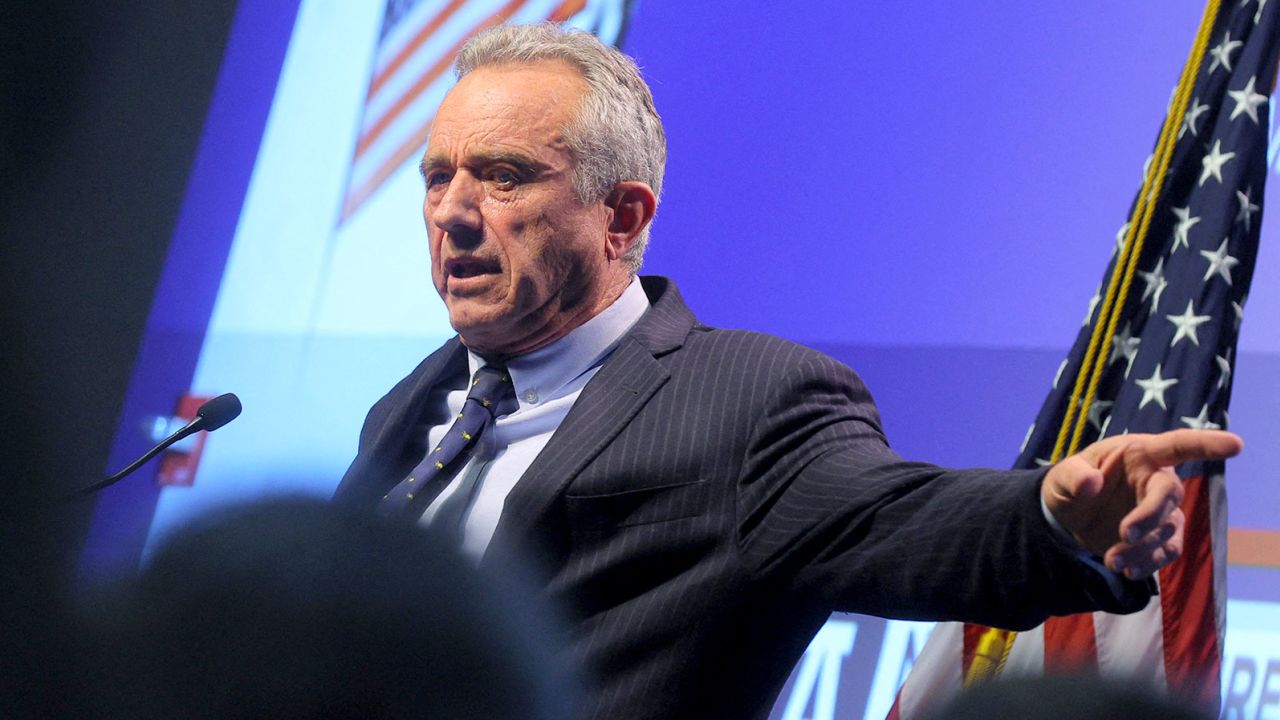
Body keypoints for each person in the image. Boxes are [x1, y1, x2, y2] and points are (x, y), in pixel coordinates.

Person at [334, 23, 1243, 720]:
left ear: (622, 216)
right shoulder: (410, 411)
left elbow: (904, 522)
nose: (451, 212)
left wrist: (1055, 518)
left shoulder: (745, 401)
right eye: (435, 176)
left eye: (500, 176)